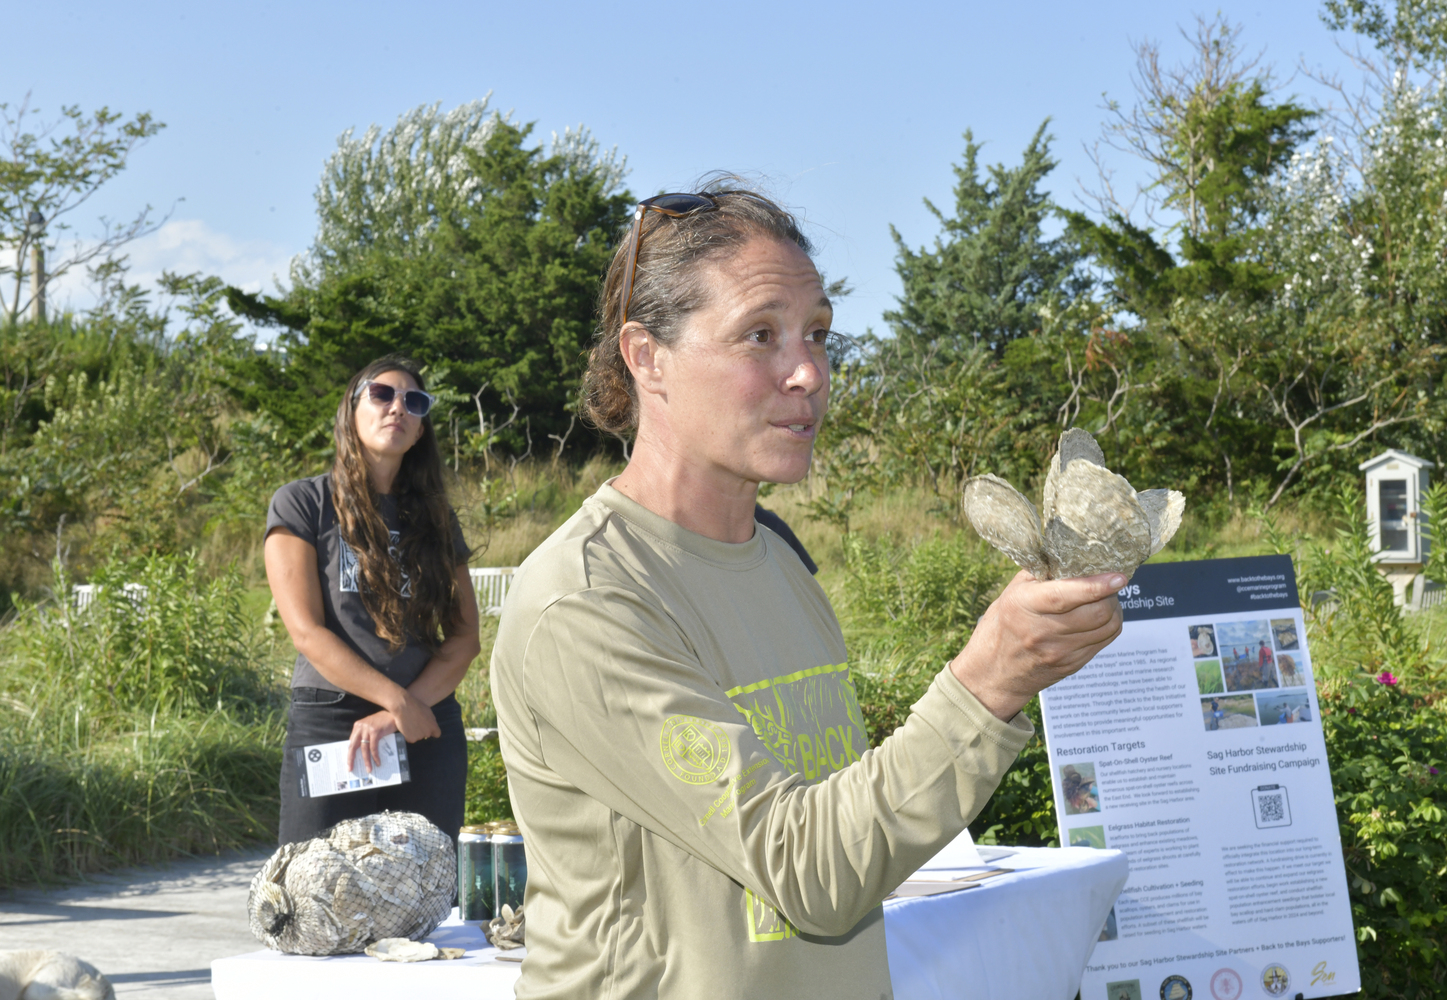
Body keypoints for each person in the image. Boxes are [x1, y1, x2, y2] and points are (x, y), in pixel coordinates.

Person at [489, 185, 1124, 998]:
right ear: (647, 357)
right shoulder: (586, 601)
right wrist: (991, 679)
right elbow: (809, 872)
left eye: (818, 333)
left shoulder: (779, 559)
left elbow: (846, 835)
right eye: (761, 334)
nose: (808, 371)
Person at [265, 357, 480, 846]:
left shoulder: (437, 519)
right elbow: (306, 631)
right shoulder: (302, 503)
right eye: (381, 394)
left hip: (425, 724)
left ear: (422, 429)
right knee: (314, 885)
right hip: (335, 721)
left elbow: (465, 636)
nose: (397, 407)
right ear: (351, 410)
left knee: (424, 889)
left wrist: (405, 709)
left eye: (414, 401)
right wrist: (394, 701)